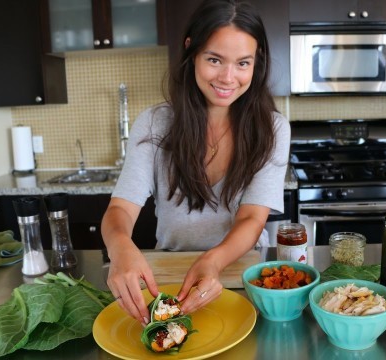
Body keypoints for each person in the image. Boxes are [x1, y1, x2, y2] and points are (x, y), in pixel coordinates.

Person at [101, 0, 290, 327]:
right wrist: (120, 249)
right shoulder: (153, 124)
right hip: (168, 276)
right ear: (192, 51)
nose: (228, 78)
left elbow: (251, 218)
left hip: (240, 275)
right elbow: (120, 211)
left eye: (243, 63)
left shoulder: (272, 129)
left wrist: (212, 263)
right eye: (215, 60)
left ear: (256, 62)